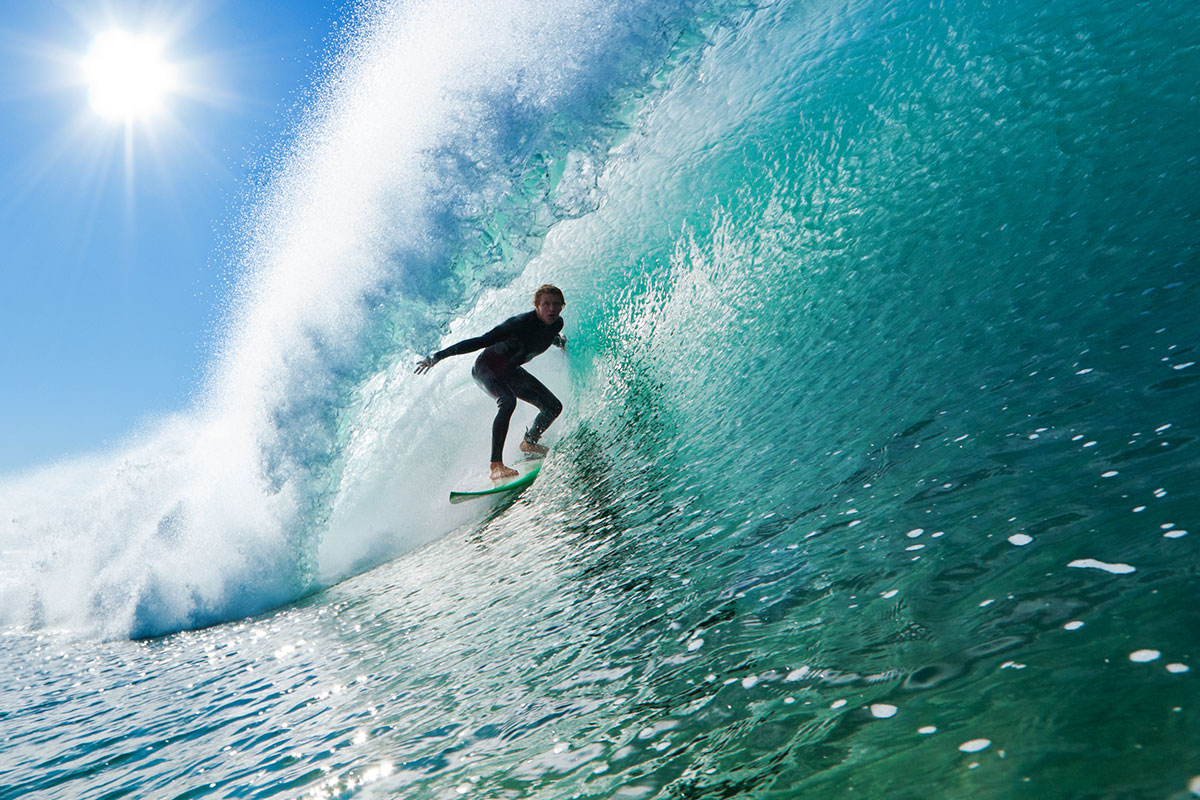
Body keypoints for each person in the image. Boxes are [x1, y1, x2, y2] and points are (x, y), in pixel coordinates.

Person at [415, 284, 567, 481]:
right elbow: (480, 341)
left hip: (510, 370)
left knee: (553, 406)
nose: (551, 309)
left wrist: (560, 344)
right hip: (486, 368)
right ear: (536, 305)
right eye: (546, 304)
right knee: (508, 400)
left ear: (562, 306)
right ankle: (496, 465)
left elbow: (545, 336)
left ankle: (529, 443)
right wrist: (437, 356)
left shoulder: (556, 324)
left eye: (556, 304)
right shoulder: (518, 324)